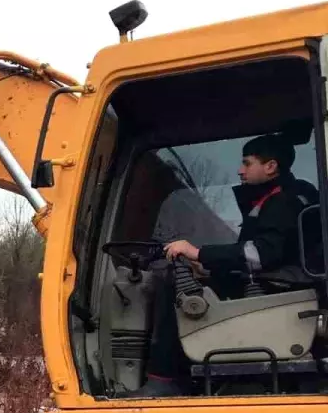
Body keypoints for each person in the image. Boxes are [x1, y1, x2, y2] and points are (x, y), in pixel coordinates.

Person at [128, 134, 318, 397]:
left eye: (247, 163)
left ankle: (164, 378)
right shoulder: (290, 196)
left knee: (175, 290)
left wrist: (197, 252)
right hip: (281, 280)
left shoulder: (282, 202)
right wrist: (209, 268)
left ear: (270, 167)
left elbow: (260, 255)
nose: (240, 170)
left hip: (280, 286)